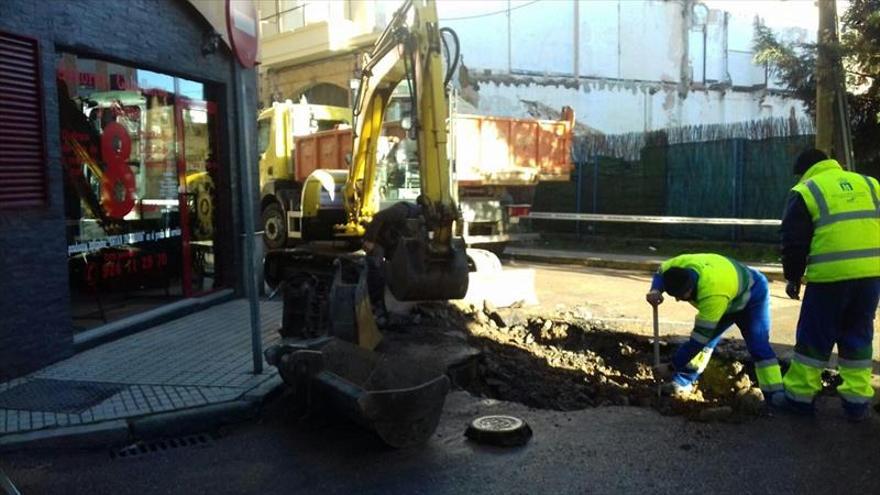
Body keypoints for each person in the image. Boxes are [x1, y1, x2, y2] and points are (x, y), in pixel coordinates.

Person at [777, 149, 880, 421]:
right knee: (858, 336)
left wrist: (793, 277)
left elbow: (794, 242)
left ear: (805, 170)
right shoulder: (870, 184)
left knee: (815, 337)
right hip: (870, 277)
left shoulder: (806, 190)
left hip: (829, 279)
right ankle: (857, 403)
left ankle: (800, 398)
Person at [646, 253, 783, 401]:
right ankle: (682, 382)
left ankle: (775, 394)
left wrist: (671, 367)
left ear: (690, 289)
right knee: (706, 342)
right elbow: (661, 272)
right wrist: (655, 289)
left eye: (681, 296)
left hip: (753, 296)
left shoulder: (711, 295)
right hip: (728, 292)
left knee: (758, 345)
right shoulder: (678, 265)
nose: (678, 300)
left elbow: (698, 341)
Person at [362, 201, 421, 315]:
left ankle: (385, 298)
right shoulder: (403, 210)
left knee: (394, 270)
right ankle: (374, 301)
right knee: (375, 266)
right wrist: (370, 240)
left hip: (392, 243)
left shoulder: (421, 223)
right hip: (379, 239)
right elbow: (379, 217)